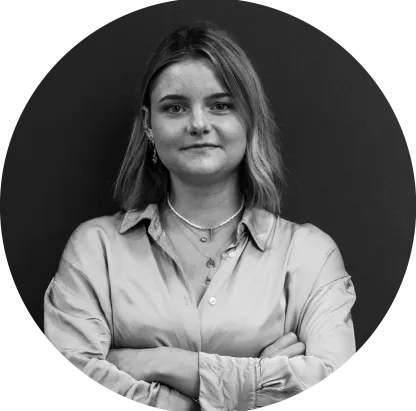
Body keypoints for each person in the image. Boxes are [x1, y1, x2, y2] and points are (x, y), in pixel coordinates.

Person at [43, 20, 357, 410]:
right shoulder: (96, 251)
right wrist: (253, 389)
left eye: (220, 105)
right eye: (174, 107)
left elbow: (328, 380)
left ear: (249, 118)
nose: (198, 124)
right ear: (149, 124)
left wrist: (161, 363)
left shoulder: (309, 255)